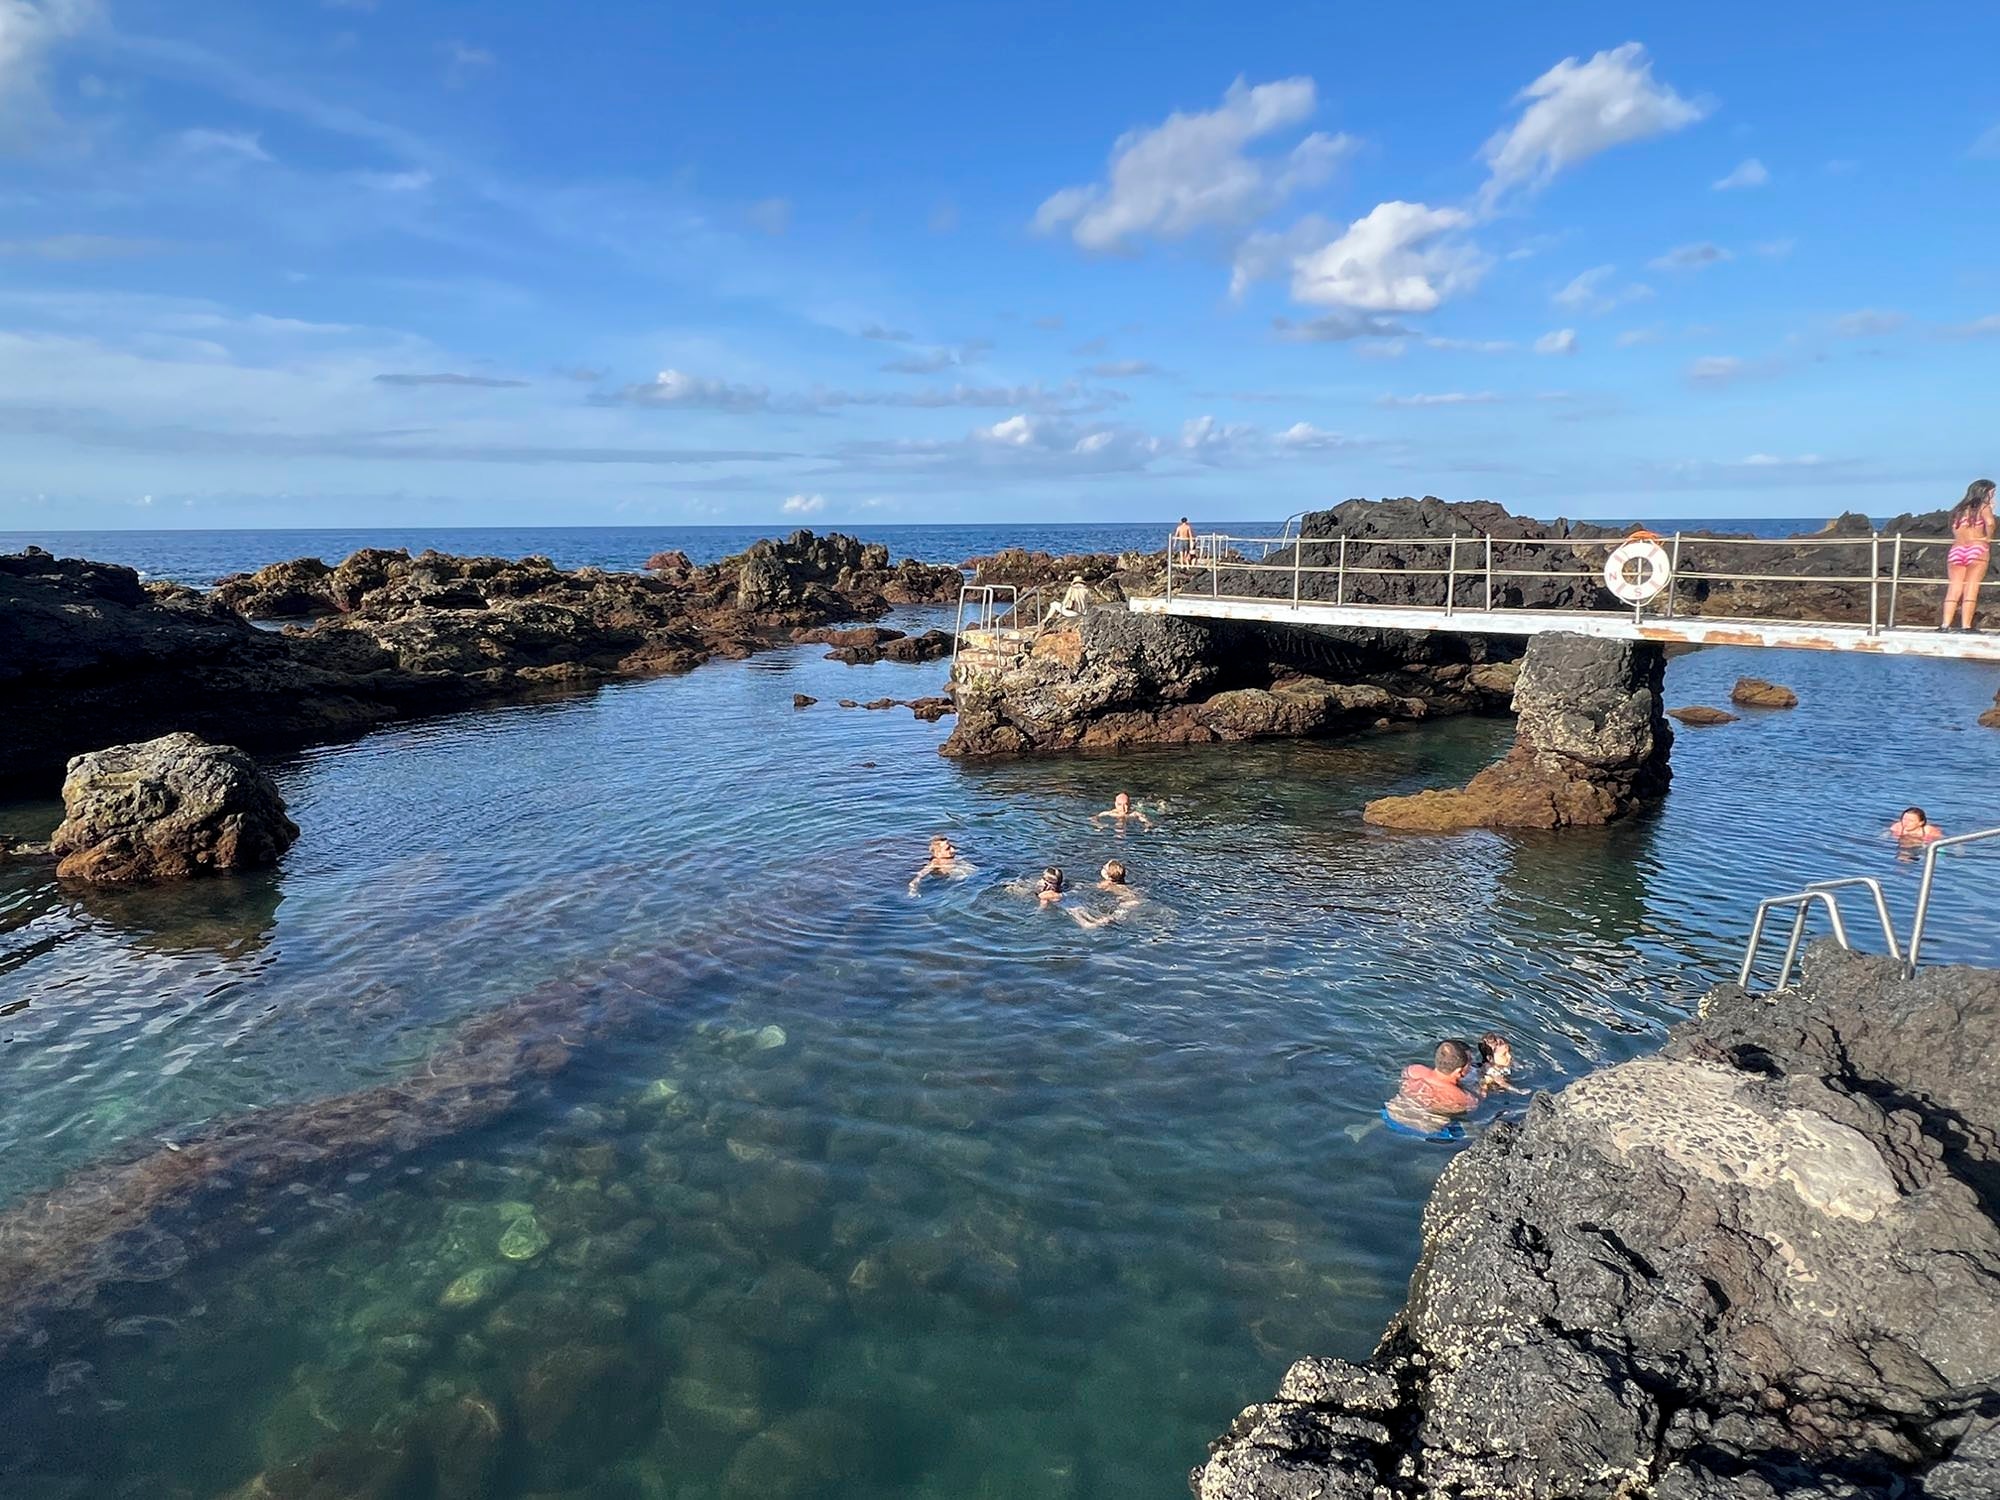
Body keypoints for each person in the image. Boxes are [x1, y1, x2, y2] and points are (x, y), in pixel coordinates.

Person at [1381, 1040, 1477, 1139]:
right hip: (1425, 1131)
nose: (1471, 1066)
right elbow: (1473, 1107)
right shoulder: (1463, 1097)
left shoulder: (1412, 1070)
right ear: (1458, 1071)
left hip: (1390, 1116)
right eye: (1469, 1063)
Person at [1941, 479, 1996, 632]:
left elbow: (1955, 529)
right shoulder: (1983, 507)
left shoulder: (1958, 510)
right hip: (1976, 548)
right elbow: (1990, 523)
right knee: (1971, 587)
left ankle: (1945, 624)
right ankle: (1966, 625)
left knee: (1954, 587)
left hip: (1957, 550)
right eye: (1992, 493)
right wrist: (1988, 537)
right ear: (1985, 493)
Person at [1071, 860, 1143, 929]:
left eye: (1104, 867)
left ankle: (1094, 924)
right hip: (1134, 901)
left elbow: (1087, 887)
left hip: (1127, 903)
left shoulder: (1105, 884)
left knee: (1097, 921)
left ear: (1107, 874)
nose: (1102, 866)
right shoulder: (1122, 884)